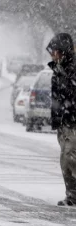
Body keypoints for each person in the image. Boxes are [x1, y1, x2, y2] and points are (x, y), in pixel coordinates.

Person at [47, 33, 76, 206]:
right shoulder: (58, 71)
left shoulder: (72, 71)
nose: (53, 55)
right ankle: (72, 195)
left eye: (55, 51)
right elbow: (56, 98)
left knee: (69, 157)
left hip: (72, 122)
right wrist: (57, 119)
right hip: (64, 123)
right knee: (65, 161)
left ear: (63, 51)